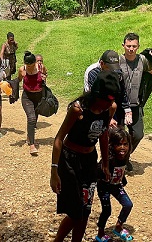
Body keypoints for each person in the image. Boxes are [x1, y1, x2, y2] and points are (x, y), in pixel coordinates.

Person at [50, 70, 120, 242]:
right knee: (75, 213)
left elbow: (103, 134)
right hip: (69, 161)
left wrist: (104, 164)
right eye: (105, 99)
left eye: (111, 100)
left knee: (85, 211)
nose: (108, 104)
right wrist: (54, 172)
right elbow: (59, 139)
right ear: (96, 94)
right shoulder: (78, 109)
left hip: (89, 162)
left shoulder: (110, 108)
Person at [115, 33, 152, 171]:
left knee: (138, 134)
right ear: (123, 46)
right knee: (118, 135)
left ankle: (124, 156)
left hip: (136, 104)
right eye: (128, 46)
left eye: (134, 46)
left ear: (138, 47)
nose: (131, 49)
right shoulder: (117, 60)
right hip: (120, 106)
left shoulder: (142, 60)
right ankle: (115, 161)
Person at [96, 127, 134, 242]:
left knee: (128, 204)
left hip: (116, 185)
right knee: (107, 211)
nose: (123, 148)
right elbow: (97, 171)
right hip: (104, 187)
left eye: (125, 144)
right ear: (112, 145)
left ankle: (119, 226)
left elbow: (121, 169)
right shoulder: (108, 160)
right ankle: (100, 233)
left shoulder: (124, 156)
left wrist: (123, 179)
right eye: (119, 144)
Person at [18, 51, 46, 156]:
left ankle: (29, 137)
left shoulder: (41, 67)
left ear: (35, 62)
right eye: (27, 66)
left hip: (38, 98)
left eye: (31, 65)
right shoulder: (22, 69)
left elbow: (45, 75)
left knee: (34, 118)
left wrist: (44, 78)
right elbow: (19, 80)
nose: (29, 68)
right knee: (31, 118)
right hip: (27, 97)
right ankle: (32, 145)